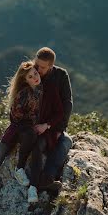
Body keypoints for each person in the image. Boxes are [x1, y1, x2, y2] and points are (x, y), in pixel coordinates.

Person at [0, 60, 45, 204]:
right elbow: (15, 118)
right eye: (30, 77)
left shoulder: (40, 90)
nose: (35, 77)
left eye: (35, 73)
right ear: (25, 80)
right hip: (17, 129)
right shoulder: (23, 94)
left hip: (30, 131)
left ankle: (22, 172)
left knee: (33, 142)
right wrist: (31, 124)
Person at [33, 47, 73, 191]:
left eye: (42, 67)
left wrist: (58, 128)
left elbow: (67, 104)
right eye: (36, 64)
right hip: (34, 126)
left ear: (51, 66)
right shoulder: (30, 73)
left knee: (65, 142)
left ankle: (47, 179)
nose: (38, 69)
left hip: (53, 124)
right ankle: (37, 181)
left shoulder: (61, 75)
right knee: (39, 145)